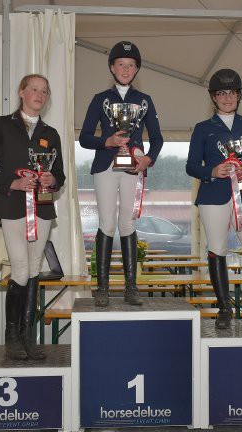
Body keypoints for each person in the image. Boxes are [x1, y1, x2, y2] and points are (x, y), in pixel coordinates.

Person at [0, 74, 65, 360]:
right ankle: (11, 337)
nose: (40, 95)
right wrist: (10, 183)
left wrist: (52, 180)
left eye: (44, 91)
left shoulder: (51, 133)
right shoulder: (2, 125)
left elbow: (60, 174)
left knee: (34, 268)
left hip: (42, 206)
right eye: (34, 89)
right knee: (20, 268)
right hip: (12, 205)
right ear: (21, 92)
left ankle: (28, 337)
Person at [186, 69, 242, 332]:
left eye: (232, 92)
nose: (227, 98)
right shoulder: (203, 129)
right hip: (213, 196)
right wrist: (211, 172)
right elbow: (191, 166)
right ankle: (224, 309)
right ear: (213, 97)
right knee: (217, 249)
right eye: (221, 93)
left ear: (239, 95)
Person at [79, 41, 163, 307]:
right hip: (105, 166)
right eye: (121, 64)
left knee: (127, 223)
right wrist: (107, 141)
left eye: (131, 65)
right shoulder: (99, 99)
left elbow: (158, 139)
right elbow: (83, 137)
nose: (126, 69)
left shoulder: (145, 100)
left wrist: (148, 159)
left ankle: (131, 287)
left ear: (136, 69)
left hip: (131, 167)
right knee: (107, 223)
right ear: (112, 67)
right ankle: (102, 287)